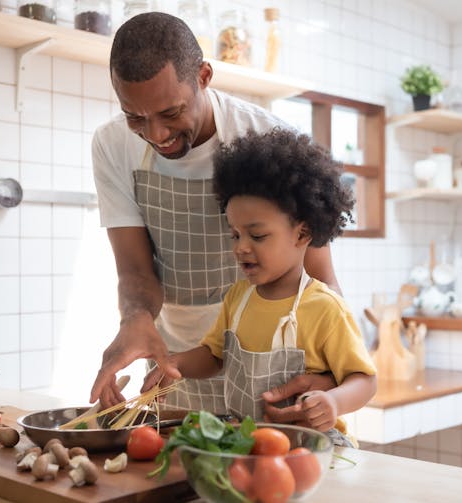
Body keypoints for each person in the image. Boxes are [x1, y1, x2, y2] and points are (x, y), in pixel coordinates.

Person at [90, 12, 340, 419]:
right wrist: (134, 320)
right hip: (178, 367)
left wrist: (334, 375)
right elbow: (135, 270)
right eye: (135, 116)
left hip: (274, 374)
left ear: (204, 76)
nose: (156, 134)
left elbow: (320, 280)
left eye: (171, 113)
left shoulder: (264, 139)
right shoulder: (112, 144)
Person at [141, 128, 377, 431]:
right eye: (235, 235)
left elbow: (365, 380)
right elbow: (213, 356)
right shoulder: (238, 298)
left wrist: (335, 402)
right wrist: (175, 365)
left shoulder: (325, 308)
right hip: (252, 447)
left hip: (313, 453)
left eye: (258, 235)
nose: (241, 247)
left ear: (303, 234)